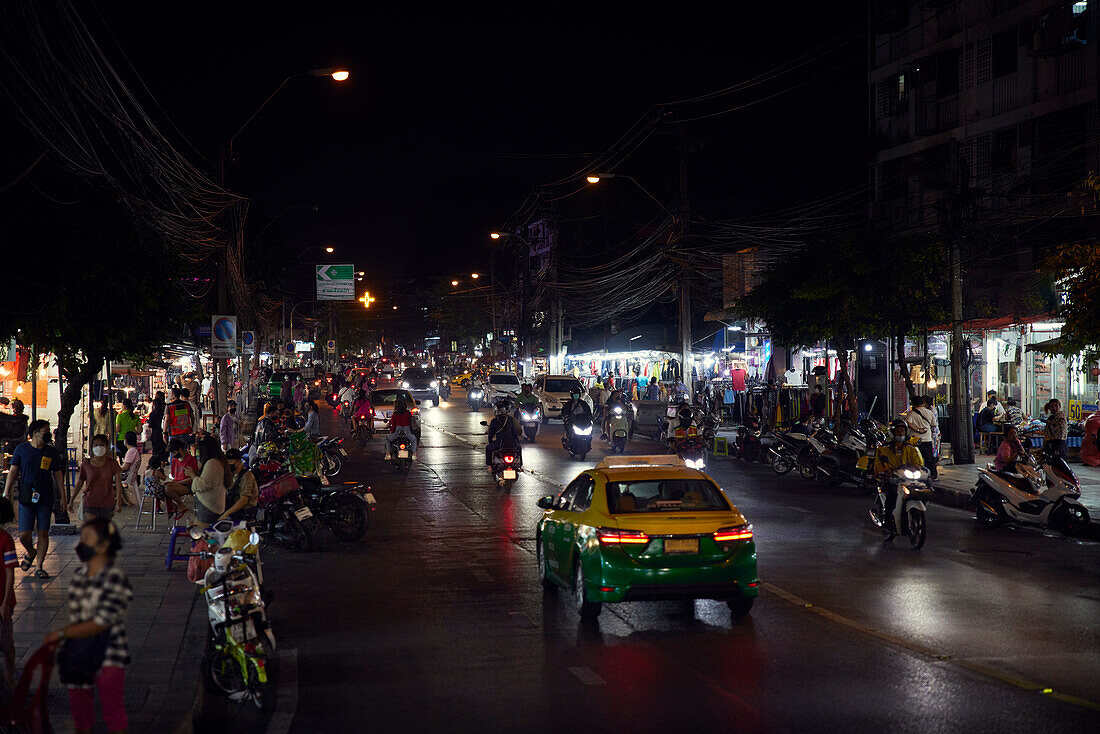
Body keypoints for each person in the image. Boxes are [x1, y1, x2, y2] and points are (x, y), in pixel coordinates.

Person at [44, 519, 132, 734]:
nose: (81, 543)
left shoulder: (115, 579)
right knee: (80, 715)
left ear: (103, 546)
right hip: (79, 654)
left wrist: (62, 634)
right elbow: (78, 617)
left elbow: (103, 621)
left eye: (87, 539)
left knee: (113, 712)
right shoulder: (78, 577)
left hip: (109, 653)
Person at [3, 420, 62, 579]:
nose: (48, 434)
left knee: (43, 531)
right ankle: (31, 551)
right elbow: (13, 471)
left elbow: (57, 475)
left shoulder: (51, 452)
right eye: (45, 431)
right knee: (24, 535)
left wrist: (62, 496)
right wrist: (6, 491)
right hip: (26, 495)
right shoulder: (22, 450)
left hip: (46, 495)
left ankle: (39, 567)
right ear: (35, 432)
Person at [873, 419, 924, 537]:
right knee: (891, 498)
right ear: (893, 433)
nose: (901, 434)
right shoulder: (884, 449)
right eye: (898, 431)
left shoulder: (912, 448)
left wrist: (918, 468)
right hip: (892, 480)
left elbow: (919, 462)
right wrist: (886, 472)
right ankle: (888, 525)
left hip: (907, 479)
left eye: (902, 431)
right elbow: (880, 463)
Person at [70, 434, 124, 522]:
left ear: (106, 447)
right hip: (90, 502)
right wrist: (72, 500)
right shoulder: (86, 464)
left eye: (102, 445)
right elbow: (80, 482)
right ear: (92, 448)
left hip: (107, 504)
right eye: (96, 445)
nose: (99, 447)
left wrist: (118, 502)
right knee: (92, 531)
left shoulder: (113, 464)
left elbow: (118, 484)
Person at [188, 437, 230, 524]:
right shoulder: (218, 462)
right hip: (213, 505)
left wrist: (192, 474)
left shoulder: (212, 463)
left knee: (202, 534)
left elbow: (202, 485)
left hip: (209, 507)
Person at [0, 497, 17, 691]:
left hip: (3, 601)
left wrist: (5, 603)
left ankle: (10, 676)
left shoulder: (6, 540)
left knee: (6, 642)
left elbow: (10, 573)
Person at [219, 449, 259, 522]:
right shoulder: (232, 474)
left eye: (230, 462)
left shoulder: (247, 476)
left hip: (244, 512)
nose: (228, 464)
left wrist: (226, 514)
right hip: (233, 509)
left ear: (238, 462)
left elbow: (243, 500)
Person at [163, 439, 199, 512]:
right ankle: (175, 506)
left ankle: (180, 505)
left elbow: (193, 478)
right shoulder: (174, 460)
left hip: (188, 485)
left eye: (174, 452)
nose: (173, 455)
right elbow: (173, 476)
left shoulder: (190, 459)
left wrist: (176, 483)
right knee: (159, 490)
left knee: (168, 489)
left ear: (180, 449)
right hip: (177, 483)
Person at [485, 399, 521, 470]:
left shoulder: (494, 421)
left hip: (500, 443)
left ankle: (489, 466)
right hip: (512, 443)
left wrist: (490, 441)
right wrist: (516, 442)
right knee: (519, 448)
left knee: (488, 448)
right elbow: (515, 433)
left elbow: (491, 434)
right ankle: (520, 465)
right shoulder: (510, 419)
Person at [911, 396, 939, 480]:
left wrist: (917, 429)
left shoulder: (912, 413)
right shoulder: (929, 412)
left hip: (916, 439)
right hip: (927, 438)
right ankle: (933, 475)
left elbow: (908, 422)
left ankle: (919, 474)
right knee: (929, 458)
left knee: (917, 458)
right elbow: (934, 424)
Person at [119, 431, 141, 507]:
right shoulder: (134, 450)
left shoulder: (131, 452)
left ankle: (121, 500)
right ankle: (124, 500)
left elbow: (125, 467)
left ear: (126, 440)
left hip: (128, 475)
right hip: (131, 474)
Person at [147, 391, 166, 458]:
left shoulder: (152, 414)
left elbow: (150, 425)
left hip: (155, 433)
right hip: (164, 432)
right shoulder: (164, 412)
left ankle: (156, 463)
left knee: (156, 449)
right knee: (163, 448)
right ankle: (163, 461)